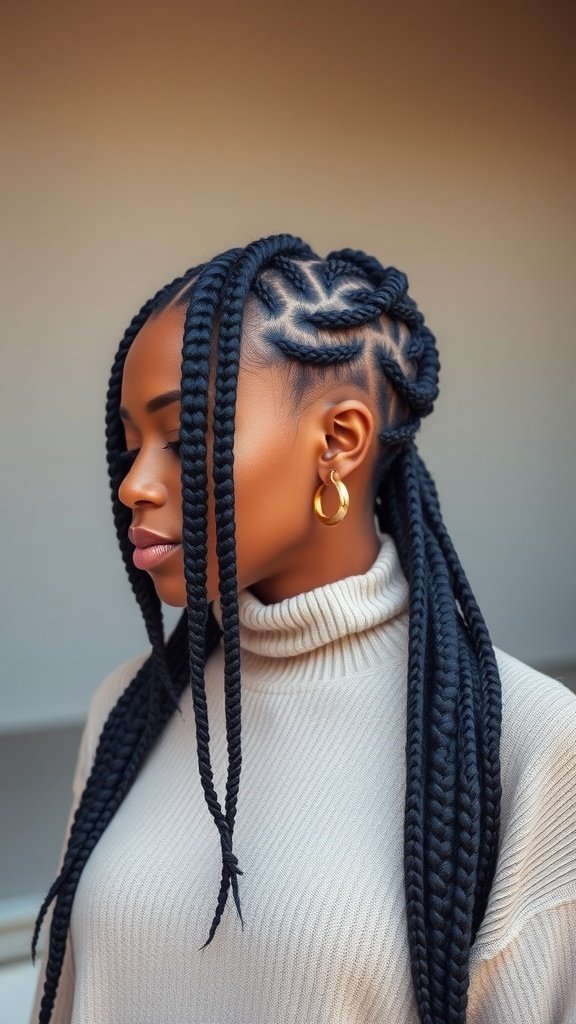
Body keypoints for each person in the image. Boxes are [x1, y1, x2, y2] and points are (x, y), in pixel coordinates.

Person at [31, 234, 576, 1023]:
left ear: (339, 442)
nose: (134, 485)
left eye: (184, 438)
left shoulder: (527, 743)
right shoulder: (132, 707)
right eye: (127, 444)